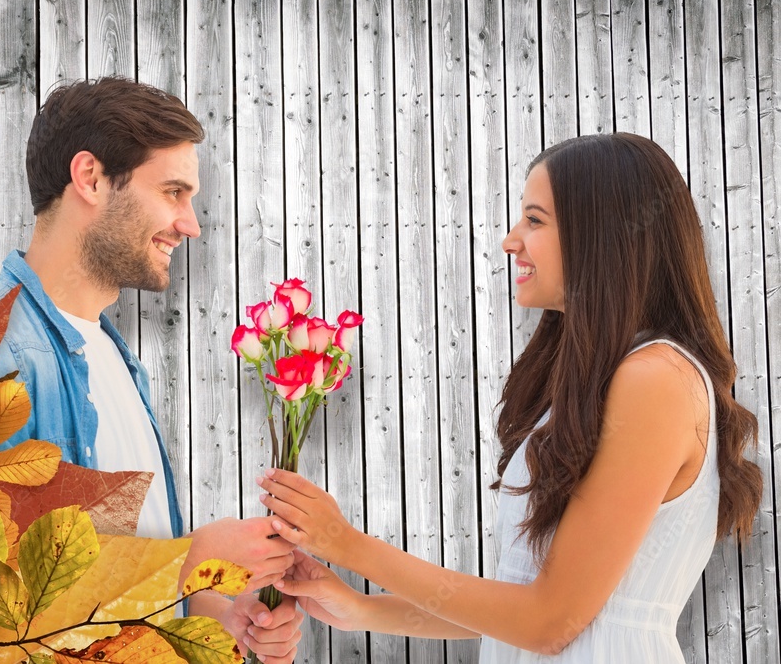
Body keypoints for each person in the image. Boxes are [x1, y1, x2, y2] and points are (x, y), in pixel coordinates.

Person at [256, 133, 763, 661]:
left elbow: (550, 621)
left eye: (535, 220)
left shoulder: (657, 378)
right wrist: (360, 608)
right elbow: (521, 602)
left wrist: (349, 546)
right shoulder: (599, 378)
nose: (510, 241)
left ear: (604, 236)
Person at [0, 76, 301, 663]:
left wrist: (217, 609)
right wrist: (185, 560)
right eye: (173, 192)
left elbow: (122, 565)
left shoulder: (116, 358)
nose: (191, 224)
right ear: (89, 177)